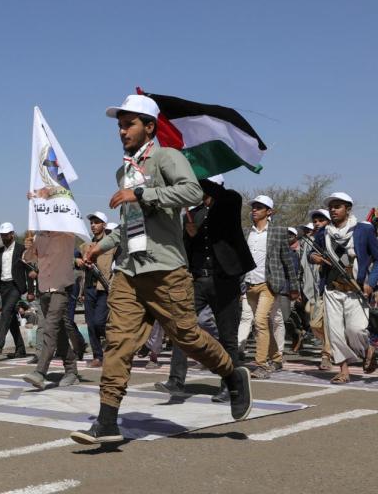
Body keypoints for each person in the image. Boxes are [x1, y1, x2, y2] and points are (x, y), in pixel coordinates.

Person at [70, 95, 251, 445]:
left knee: (188, 337)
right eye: (120, 125)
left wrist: (141, 193)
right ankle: (107, 421)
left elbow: (190, 190)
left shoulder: (168, 157)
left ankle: (231, 373)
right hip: (130, 271)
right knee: (118, 343)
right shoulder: (124, 170)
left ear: (149, 127)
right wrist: (101, 246)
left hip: (166, 269)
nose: (122, 131)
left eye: (129, 123)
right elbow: (126, 226)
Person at [155, 174, 255, 402]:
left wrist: (195, 175)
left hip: (224, 281)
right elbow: (188, 249)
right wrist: (191, 235)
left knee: (228, 337)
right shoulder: (194, 213)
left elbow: (225, 202)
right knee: (183, 328)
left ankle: (230, 386)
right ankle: (176, 380)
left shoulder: (230, 201)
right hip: (198, 280)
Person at [312, 193, 378, 383]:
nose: (333, 209)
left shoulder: (363, 230)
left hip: (355, 290)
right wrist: (313, 257)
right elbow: (312, 252)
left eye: (338, 206)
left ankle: (368, 350)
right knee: (336, 333)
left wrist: (370, 283)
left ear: (348, 209)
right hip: (332, 290)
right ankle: (344, 371)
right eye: (331, 206)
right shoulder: (323, 233)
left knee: (356, 330)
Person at [243, 194, 301, 379]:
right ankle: (276, 358)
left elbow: (287, 261)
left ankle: (262, 365)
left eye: (259, 207)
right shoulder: (247, 232)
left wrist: (294, 287)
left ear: (269, 212)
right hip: (249, 283)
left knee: (260, 321)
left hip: (268, 285)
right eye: (254, 207)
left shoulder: (278, 232)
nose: (254, 210)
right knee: (264, 323)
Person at [22, 221, 83, 390]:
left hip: (61, 289)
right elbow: (28, 259)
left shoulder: (66, 235)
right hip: (44, 291)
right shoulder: (38, 237)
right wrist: (29, 246)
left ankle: (40, 372)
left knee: (49, 329)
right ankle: (71, 370)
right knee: (60, 332)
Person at [0, 222, 33, 358]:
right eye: (2, 235)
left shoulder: (21, 249)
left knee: (6, 312)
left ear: (12, 234)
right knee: (11, 319)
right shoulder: (0, 251)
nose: (3, 237)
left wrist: (30, 291)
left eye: (6, 235)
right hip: (4, 287)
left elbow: (29, 270)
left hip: (15, 286)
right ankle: (20, 349)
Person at [79, 212, 115, 368]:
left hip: (104, 287)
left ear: (104, 225)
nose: (93, 225)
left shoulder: (112, 244)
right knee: (90, 323)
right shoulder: (85, 246)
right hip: (89, 287)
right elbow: (74, 259)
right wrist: (78, 261)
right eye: (92, 222)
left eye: (97, 222)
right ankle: (98, 356)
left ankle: (114, 345)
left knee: (99, 322)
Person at [305, 210, 333, 369]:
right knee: (315, 324)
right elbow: (310, 256)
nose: (317, 223)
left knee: (330, 323)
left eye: (321, 220)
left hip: (335, 286)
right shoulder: (314, 240)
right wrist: (313, 257)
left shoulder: (337, 238)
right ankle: (331, 345)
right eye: (315, 221)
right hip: (316, 289)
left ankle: (326, 354)